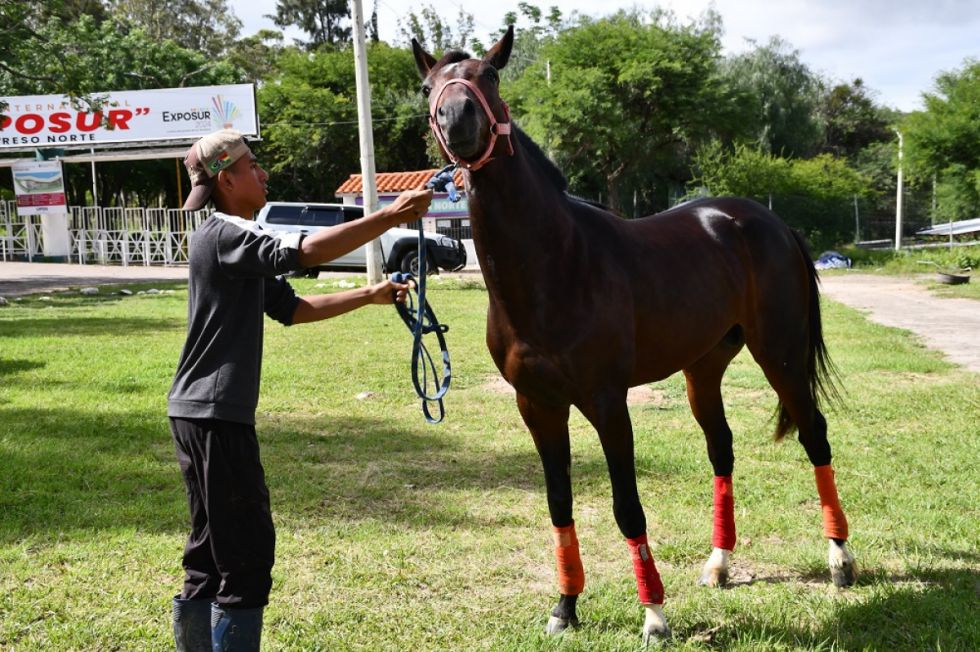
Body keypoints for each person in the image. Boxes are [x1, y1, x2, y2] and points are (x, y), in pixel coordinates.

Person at [167, 129, 432, 651]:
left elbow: (291, 309)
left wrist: (370, 294)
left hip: (199, 413)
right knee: (245, 553)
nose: (263, 174)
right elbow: (305, 249)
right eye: (252, 166)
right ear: (226, 178)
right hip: (217, 417)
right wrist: (389, 215)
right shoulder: (225, 235)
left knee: (209, 550)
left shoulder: (233, 239)